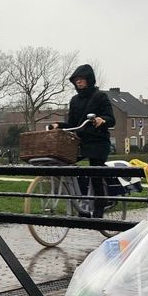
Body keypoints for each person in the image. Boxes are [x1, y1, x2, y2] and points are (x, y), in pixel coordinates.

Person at [48, 64, 116, 217]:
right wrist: (58, 125)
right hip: (81, 142)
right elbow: (72, 124)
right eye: (76, 80)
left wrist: (101, 120)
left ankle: (100, 205)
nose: (78, 82)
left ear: (89, 80)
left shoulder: (100, 97)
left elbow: (112, 119)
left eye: (82, 79)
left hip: (98, 141)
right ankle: (82, 204)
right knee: (66, 163)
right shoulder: (74, 100)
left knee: (95, 169)